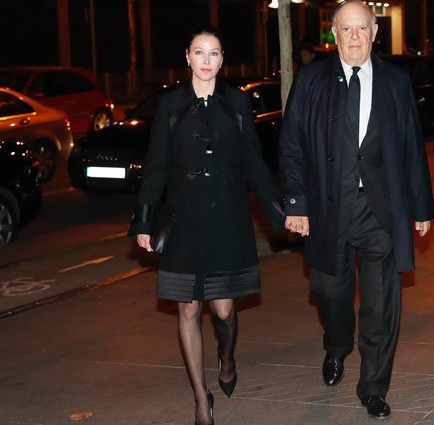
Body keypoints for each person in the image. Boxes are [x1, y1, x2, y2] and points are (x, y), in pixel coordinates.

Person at [280, 0, 434, 420]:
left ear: (374, 33)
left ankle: (373, 387)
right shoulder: (312, 80)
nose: (354, 37)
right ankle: (336, 343)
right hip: (329, 208)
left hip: (380, 209)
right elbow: (292, 145)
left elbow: (410, 146)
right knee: (331, 293)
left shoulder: (395, 82)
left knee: (381, 303)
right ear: (334, 34)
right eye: (345, 29)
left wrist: (421, 206)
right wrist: (297, 203)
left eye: (361, 29)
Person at [128, 24, 284, 425]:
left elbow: (254, 163)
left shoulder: (236, 103)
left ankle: (227, 356)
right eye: (199, 52)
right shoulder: (170, 105)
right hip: (183, 223)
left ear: (222, 60)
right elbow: (157, 167)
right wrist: (145, 219)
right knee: (187, 309)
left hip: (228, 220)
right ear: (187, 57)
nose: (206, 61)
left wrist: (282, 210)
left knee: (225, 310)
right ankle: (201, 400)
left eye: (214, 53)